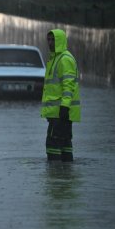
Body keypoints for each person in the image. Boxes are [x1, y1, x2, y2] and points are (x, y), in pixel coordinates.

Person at [41, 29, 81, 162]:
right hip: (58, 112)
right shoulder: (55, 59)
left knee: (52, 144)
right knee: (64, 144)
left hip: (61, 111)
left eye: (53, 40)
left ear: (60, 41)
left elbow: (68, 86)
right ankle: (65, 175)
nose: (50, 43)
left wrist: (64, 107)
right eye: (49, 40)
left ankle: (55, 178)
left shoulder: (64, 59)